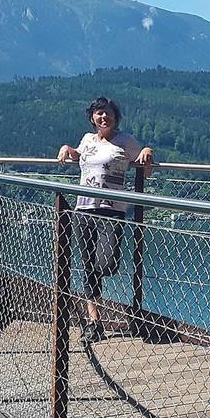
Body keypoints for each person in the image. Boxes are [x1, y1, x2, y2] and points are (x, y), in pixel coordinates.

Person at [57, 96, 153, 346]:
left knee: (107, 263)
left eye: (108, 113)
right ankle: (93, 322)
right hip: (84, 208)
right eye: (99, 113)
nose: (103, 117)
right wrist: (69, 149)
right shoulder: (87, 139)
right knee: (89, 265)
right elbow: (80, 156)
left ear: (115, 117)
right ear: (92, 118)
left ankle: (96, 286)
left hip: (112, 211)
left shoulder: (125, 142)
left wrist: (146, 151)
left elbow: (143, 158)